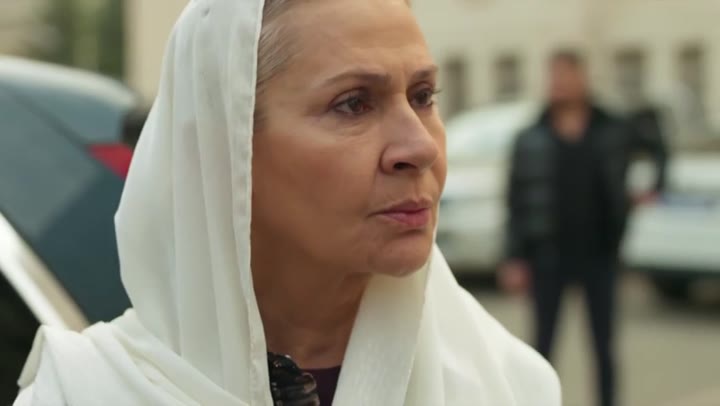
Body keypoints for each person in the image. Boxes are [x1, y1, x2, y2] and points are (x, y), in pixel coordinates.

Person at [14, 1, 561, 405]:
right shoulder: (86, 392)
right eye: (354, 104)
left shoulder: (507, 384)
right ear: (230, 152)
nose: (420, 147)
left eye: (423, 96)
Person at [500, 51, 667, 406]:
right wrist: (514, 257)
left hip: (600, 253)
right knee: (542, 348)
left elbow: (658, 145)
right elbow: (515, 200)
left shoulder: (612, 128)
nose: (559, 83)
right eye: (554, 76)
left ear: (582, 78)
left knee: (604, 347)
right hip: (548, 255)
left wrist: (653, 187)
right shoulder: (531, 136)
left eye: (566, 75)